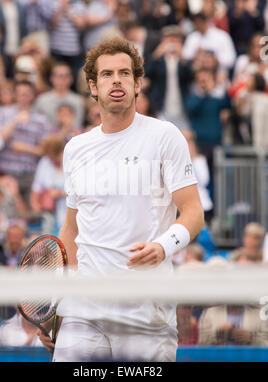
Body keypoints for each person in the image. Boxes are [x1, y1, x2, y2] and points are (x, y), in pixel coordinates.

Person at [39, 36, 204, 362]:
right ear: (93, 86)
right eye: (106, 74)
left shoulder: (165, 136)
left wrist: (163, 246)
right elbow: (71, 231)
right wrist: (56, 304)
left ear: (137, 82)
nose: (117, 80)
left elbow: (193, 212)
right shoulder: (75, 148)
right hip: (83, 308)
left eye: (125, 73)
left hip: (147, 308)